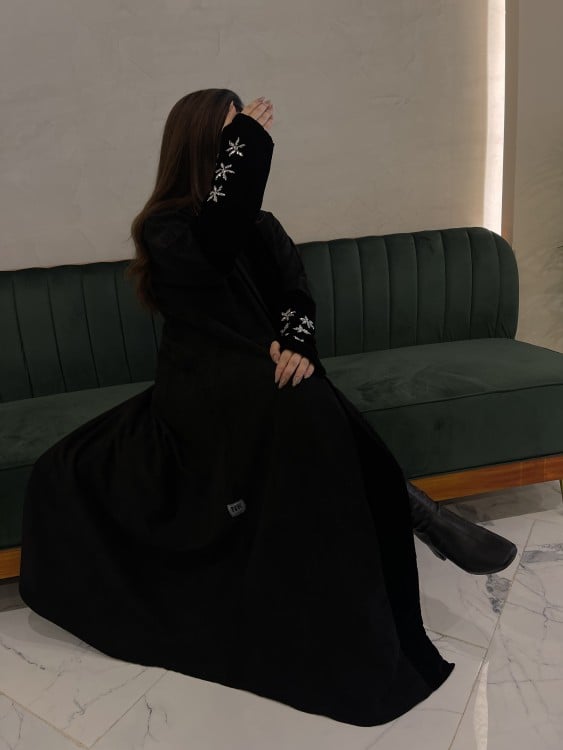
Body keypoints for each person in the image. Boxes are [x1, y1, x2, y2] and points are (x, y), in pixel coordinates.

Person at [18, 88, 516, 727]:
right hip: (199, 387)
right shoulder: (167, 229)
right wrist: (249, 144)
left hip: (264, 375)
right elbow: (213, 245)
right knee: (292, 397)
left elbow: (295, 293)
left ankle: (411, 518)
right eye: (229, 138)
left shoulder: (260, 224)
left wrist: (296, 342)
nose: (241, 145)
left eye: (243, 138)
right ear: (206, 147)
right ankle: (420, 512)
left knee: (300, 391)